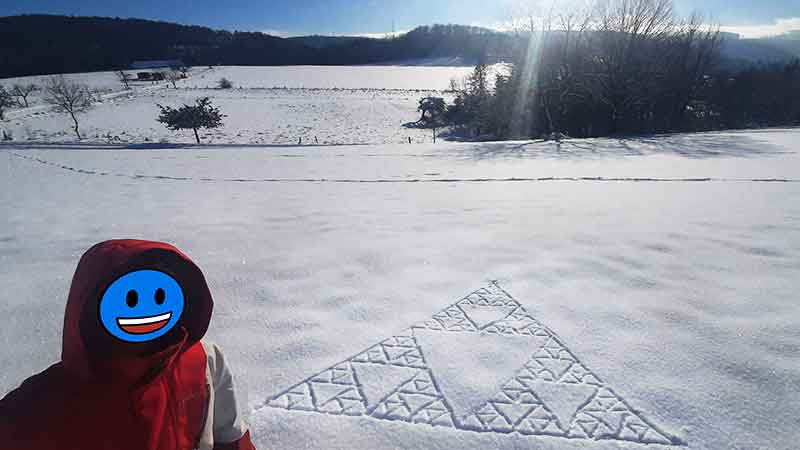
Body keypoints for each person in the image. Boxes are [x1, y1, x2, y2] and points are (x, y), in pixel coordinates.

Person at [0, 239, 256, 450]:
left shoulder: (203, 360)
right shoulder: (35, 410)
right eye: (130, 299)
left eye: (160, 296)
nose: (146, 310)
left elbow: (230, 437)